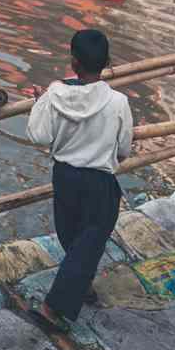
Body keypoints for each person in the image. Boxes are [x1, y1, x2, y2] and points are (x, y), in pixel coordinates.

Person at [26, 29, 133, 332]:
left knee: (72, 234)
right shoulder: (118, 102)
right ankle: (53, 307)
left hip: (64, 176)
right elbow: (124, 148)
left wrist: (40, 103)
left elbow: (39, 134)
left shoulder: (53, 94)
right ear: (106, 62)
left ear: (73, 62)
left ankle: (80, 285)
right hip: (98, 180)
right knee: (91, 238)